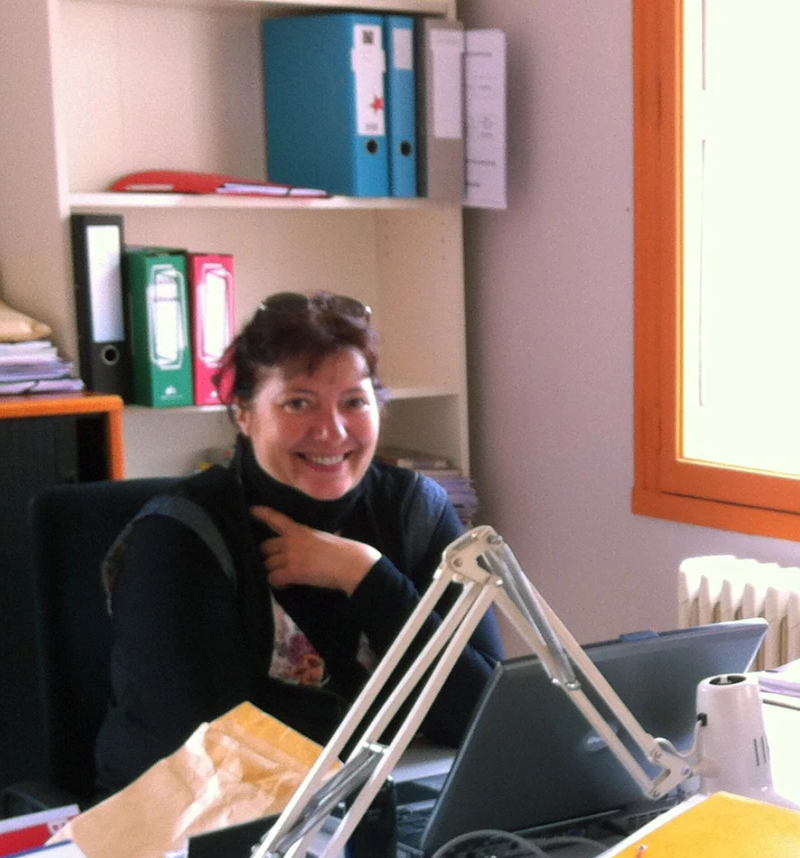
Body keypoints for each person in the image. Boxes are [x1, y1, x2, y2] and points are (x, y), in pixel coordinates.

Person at [94, 291, 500, 791]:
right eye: (298, 403)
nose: (331, 431)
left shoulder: (417, 511)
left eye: (354, 401)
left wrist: (369, 578)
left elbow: (484, 718)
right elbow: (212, 750)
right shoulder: (179, 536)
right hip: (191, 832)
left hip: (361, 806)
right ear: (244, 414)